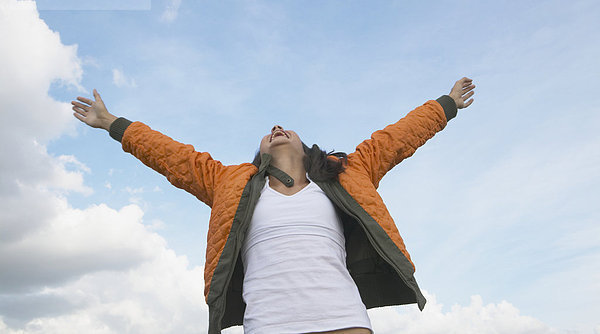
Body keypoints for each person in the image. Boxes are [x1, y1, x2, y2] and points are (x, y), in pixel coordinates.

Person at [72, 77, 475, 334]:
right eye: (269, 132)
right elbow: (173, 157)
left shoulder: (346, 174)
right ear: (260, 151)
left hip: (343, 320)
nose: (276, 130)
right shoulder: (232, 184)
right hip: (269, 324)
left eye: (284, 129)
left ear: (303, 145)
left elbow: (396, 139)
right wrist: (113, 124)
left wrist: (446, 105)